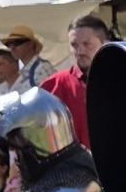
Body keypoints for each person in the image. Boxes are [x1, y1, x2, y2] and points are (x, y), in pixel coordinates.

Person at [40, 14, 113, 147]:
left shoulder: (124, 81)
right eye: (74, 45)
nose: (79, 51)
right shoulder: (54, 85)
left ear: (105, 44)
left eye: (86, 44)